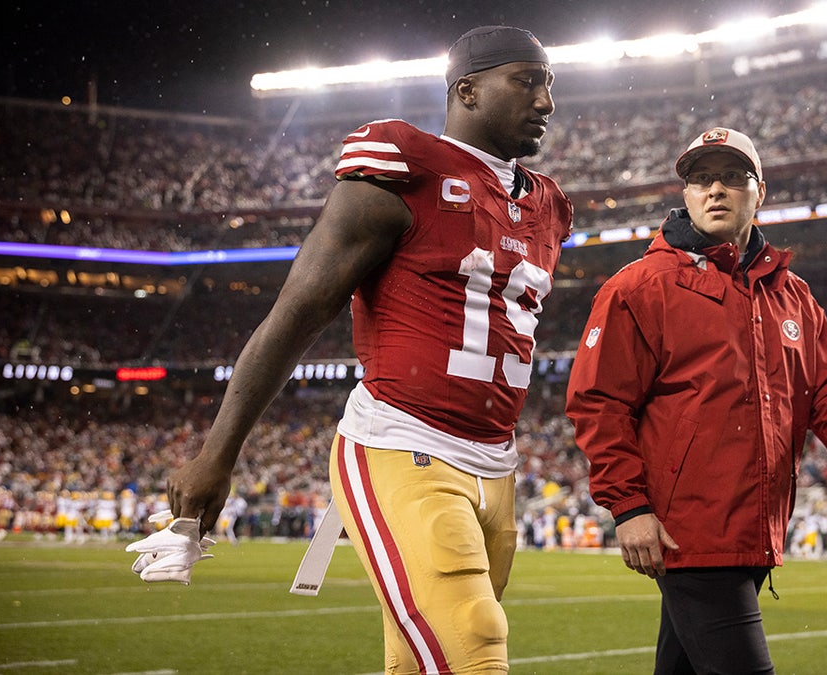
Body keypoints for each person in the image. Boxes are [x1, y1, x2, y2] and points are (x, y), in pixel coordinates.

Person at [164, 25, 571, 673]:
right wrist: (218, 453)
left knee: (416, 660)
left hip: (498, 464)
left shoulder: (548, 204)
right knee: (474, 639)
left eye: (549, 83)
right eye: (527, 81)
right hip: (402, 444)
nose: (546, 101)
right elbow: (296, 315)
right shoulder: (404, 168)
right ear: (466, 90)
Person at [565, 127, 827, 674]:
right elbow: (599, 403)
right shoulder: (638, 288)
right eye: (701, 179)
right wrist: (630, 505)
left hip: (753, 530)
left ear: (760, 193)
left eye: (732, 178)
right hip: (688, 531)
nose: (715, 190)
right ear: (684, 194)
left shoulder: (792, 294)